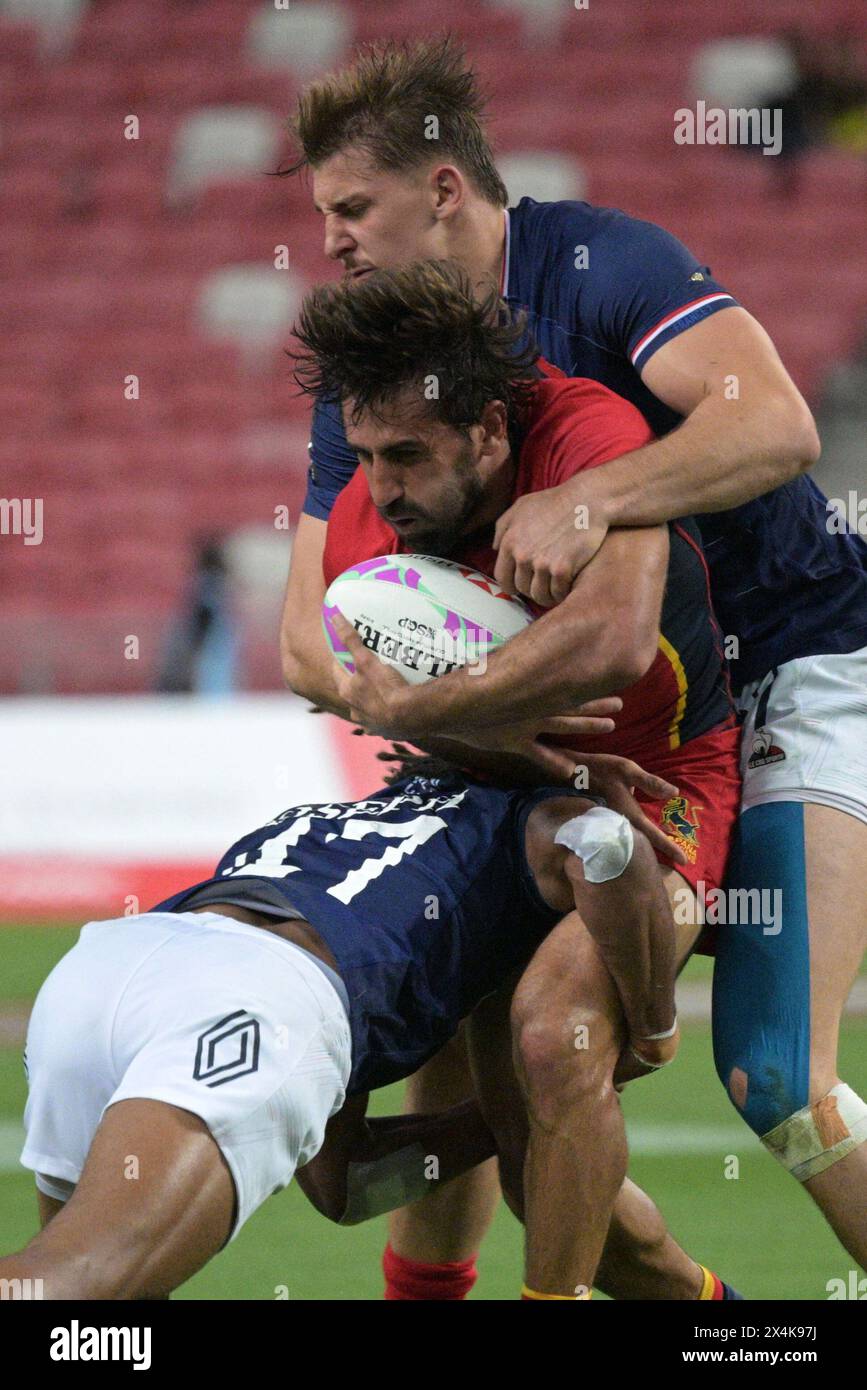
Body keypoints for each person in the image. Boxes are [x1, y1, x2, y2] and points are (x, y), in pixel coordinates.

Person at [279, 37, 867, 1289]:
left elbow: (779, 424)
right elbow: (307, 634)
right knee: (497, 1060)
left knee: (773, 1075)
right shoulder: (381, 386)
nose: (326, 236)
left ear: (443, 190)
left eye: (350, 207)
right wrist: (448, 715)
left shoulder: (604, 266)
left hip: (794, 665)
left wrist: (589, 498)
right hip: (579, 719)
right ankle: (714, 1313)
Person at [290, 257, 743, 1296]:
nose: (381, 486)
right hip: (480, 792)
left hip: (657, 780)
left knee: (554, 1033)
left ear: (490, 429)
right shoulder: (377, 520)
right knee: (429, 1171)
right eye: (361, 453)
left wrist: (419, 710)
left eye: (406, 453)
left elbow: (615, 643)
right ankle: (728, 1318)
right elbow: (325, 669)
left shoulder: (586, 434)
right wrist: (470, 729)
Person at [2, 768, 734, 1301]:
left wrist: (508, 1117)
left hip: (104, 973)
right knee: (75, 1286)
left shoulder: (333, 819)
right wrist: (652, 1026)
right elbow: (605, 841)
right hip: (253, 1003)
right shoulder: (527, 818)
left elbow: (343, 1183)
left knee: (102, 1325)